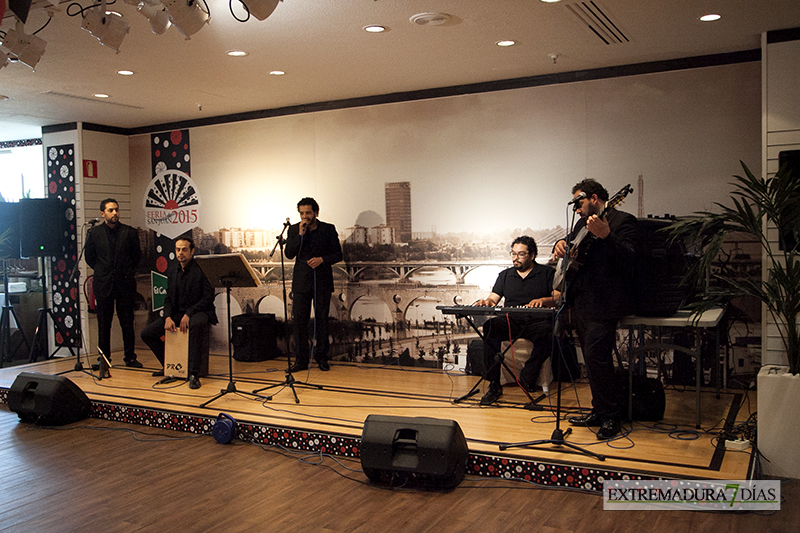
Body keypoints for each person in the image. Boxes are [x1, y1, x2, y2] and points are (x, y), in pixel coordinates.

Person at [553, 179, 638, 440]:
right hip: (581, 301)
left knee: (597, 357)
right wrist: (560, 244)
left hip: (606, 303)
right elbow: (571, 246)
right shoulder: (581, 224)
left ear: (594, 198)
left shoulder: (624, 221)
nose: (577, 210)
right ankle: (599, 410)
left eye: (579, 203)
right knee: (590, 360)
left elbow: (632, 258)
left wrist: (607, 236)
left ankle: (612, 416)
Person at [474, 236, 560, 405]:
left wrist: (543, 300)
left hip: (537, 321)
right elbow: (493, 298)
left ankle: (529, 373)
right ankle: (494, 384)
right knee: (490, 327)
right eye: (513, 253)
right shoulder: (505, 275)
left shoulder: (547, 273)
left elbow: (559, 295)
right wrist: (487, 302)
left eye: (521, 254)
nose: (515, 258)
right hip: (512, 320)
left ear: (532, 255)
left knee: (550, 332)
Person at [140, 237, 217, 389]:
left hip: (198, 311)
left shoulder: (201, 269)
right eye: (178, 250)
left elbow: (208, 297)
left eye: (184, 249)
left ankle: (194, 374)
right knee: (147, 333)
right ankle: (170, 365)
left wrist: (188, 314)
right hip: (176, 313)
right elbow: (168, 297)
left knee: (196, 325)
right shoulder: (173, 270)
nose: (181, 253)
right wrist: (167, 316)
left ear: (192, 251)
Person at [284, 197, 343, 372]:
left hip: (322, 282)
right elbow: (288, 253)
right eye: (302, 213)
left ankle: (322, 357)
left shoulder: (328, 229)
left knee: (322, 321)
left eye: (308, 213)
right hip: (301, 283)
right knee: (299, 322)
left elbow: (338, 255)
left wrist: (322, 260)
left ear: (316, 213)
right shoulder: (295, 229)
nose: (305, 217)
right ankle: (301, 360)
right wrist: (300, 235)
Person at [85, 198, 143, 368]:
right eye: (110, 210)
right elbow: (90, 257)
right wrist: (103, 271)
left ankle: (130, 357)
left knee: (127, 322)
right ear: (102, 213)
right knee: (104, 323)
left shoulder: (129, 232)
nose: (115, 213)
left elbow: (136, 256)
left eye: (116, 210)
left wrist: (125, 270)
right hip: (104, 284)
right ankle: (103, 358)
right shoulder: (94, 233)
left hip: (124, 283)